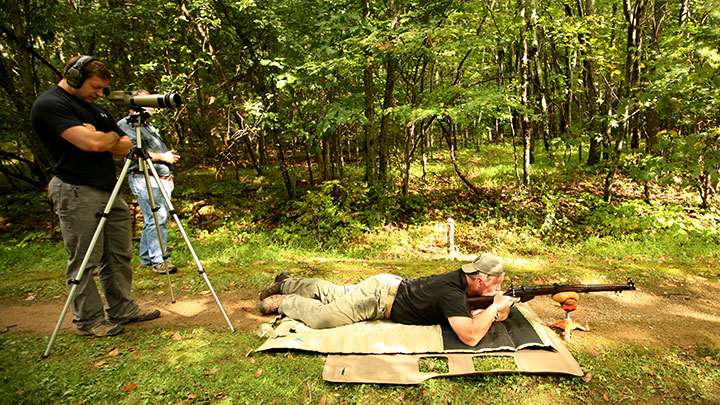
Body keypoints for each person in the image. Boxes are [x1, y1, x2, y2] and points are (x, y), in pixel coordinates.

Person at [30, 55, 160, 337]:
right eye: (96, 86)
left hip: (107, 189)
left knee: (118, 253)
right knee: (85, 257)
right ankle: (88, 320)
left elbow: (125, 144)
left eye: (103, 89)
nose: (100, 93)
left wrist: (104, 138)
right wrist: (104, 139)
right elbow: (91, 143)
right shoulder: (51, 105)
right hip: (75, 189)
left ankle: (122, 309)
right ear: (75, 78)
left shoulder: (96, 110)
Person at [258, 253, 519, 346]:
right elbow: (471, 336)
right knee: (323, 317)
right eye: (498, 283)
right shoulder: (452, 293)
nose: (500, 287)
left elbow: (478, 315)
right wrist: (495, 307)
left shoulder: (464, 284)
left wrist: (496, 308)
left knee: (334, 293)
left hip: (387, 286)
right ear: (481, 280)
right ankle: (285, 300)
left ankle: (286, 281)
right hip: (379, 299)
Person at [117, 94, 180, 274]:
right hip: (144, 178)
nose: (151, 109)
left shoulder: (148, 126)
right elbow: (135, 152)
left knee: (153, 219)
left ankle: (146, 258)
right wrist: (163, 157)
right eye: (147, 105)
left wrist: (167, 169)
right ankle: (159, 260)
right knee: (157, 218)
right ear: (134, 106)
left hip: (160, 178)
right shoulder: (125, 125)